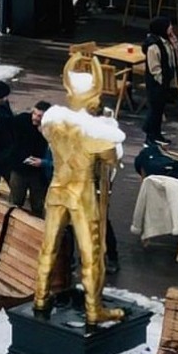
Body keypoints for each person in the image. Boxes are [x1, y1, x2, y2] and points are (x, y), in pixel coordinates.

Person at [34, 54, 125, 326]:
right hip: (82, 193)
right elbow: (112, 157)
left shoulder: (53, 124)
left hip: (57, 190)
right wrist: (108, 126)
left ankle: (40, 297)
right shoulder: (91, 132)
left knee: (49, 247)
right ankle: (93, 308)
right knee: (91, 253)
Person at [6, 101, 51, 216]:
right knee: (15, 202)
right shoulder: (21, 121)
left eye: (39, 116)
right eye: (34, 114)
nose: (35, 118)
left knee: (38, 204)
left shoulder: (51, 130)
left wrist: (43, 163)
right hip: (19, 169)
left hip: (39, 173)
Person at [142, 15, 178, 144]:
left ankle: (157, 134)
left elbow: (173, 54)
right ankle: (150, 135)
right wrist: (161, 81)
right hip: (157, 83)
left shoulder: (166, 41)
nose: (171, 28)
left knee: (160, 109)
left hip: (166, 81)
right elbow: (154, 67)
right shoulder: (154, 46)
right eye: (169, 26)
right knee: (155, 109)